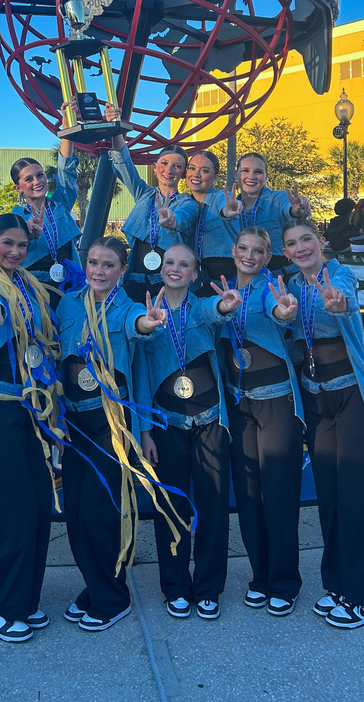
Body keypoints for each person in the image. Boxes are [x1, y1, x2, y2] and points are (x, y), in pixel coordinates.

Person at [56, 236, 173, 631]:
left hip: (111, 421)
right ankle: (95, 586)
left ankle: (113, 597)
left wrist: (149, 322)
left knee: (100, 510)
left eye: (109, 265)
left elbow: (137, 327)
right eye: (93, 263)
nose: (99, 271)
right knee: (75, 511)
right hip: (74, 422)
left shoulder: (127, 308)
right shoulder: (69, 303)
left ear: (122, 271)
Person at [0, 214, 65, 644]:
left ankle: (22, 599)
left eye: (22, 245)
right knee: (12, 512)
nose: (16, 252)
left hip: (34, 412)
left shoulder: (28, 282)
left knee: (41, 506)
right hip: (0, 411)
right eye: (7, 243)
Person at [280, 218, 364, 628]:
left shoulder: (339, 274)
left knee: (357, 496)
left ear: (320, 242)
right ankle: (338, 585)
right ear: (286, 252)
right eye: (292, 243)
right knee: (330, 496)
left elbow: (346, 299)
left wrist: (340, 306)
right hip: (316, 399)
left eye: (307, 239)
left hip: (351, 398)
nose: (301, 247)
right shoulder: (290, 285)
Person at [135, 244, 241, 620]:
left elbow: (218, 311)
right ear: (159, 269)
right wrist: (145, 432)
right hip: (166, 425)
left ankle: (209, 586)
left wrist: (226, 306)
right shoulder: (145, 312)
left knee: (213, 506)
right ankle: (176, 586)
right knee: (170, 507)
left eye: (184, 265)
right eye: (169, 263)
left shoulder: (200, 307)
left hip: (211, 420)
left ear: (196, 274)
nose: (176, 269)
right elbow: (142, 377)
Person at [221, 227, 304, 616]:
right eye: (243, 249)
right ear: (234, 250)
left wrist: (284, 311)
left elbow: (281, 311)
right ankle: (260, 577)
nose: (249, 256)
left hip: (276, 404)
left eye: (258, 251)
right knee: (249, 495)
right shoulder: (222, 293)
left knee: (280, 493)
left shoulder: (274, 288)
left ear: (268, 257)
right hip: (240, 408)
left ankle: (284, 582)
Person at [108, 119, 198, 303]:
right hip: (135, 279)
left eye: (177, 166)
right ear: (155, 167)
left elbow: (185, 216)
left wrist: (172, 221)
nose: (169, 170)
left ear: (182, 173)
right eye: (164, 163)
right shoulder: (144, 193)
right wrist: (115, 127)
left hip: (166, 282)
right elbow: (124, 164)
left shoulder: (187, 202)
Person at [10, 103, 84, 305]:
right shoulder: (15, 218)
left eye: (40, 175)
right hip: (32, 289)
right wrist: (27, 234)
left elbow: (66, 170)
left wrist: (68, 127)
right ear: (19, 188)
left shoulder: (61, 203)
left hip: (68, 285)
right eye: (28, 179)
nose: (37, 182)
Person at [224, 153, 310, 272]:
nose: (251, 176)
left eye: (258, 172)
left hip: (281, 276)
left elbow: (289, 208)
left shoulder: (277, 198)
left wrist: (296, 211)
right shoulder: (230, 207)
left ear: (266, 176)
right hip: (245, 275)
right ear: (236, 174)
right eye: (245, 170)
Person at [183, 150, 242, 294]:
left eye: (204, 171)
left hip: (225, 279)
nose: (196, 174)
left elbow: (225, 207)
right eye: (192, 168)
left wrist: (228, 210)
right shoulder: (183, 202)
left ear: (215, 178)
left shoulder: (221, 196)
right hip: (195, 278)